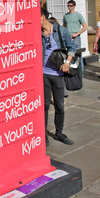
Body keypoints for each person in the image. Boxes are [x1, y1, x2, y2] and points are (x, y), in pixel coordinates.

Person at [41, 7, 76, 146]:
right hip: (43, 74)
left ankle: (59, 132)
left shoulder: (61, 31)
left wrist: (67, 62)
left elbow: (72, 47)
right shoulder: (36, 33)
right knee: (44, 105)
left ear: (43, 17)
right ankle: (43, 134)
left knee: (59, 105)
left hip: (58, 74)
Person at [63, 0, 87, 75]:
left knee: (78, 54)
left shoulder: (78, 15)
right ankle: (70, 71)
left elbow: (85, 26)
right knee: (69, 54)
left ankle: (81, 72)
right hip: (68, 37)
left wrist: (77, 34)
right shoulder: (65, 16)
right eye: (68, 6)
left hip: (76, 37)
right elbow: (64, 26)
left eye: (70, 6)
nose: (69, 7)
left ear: (74, 6)